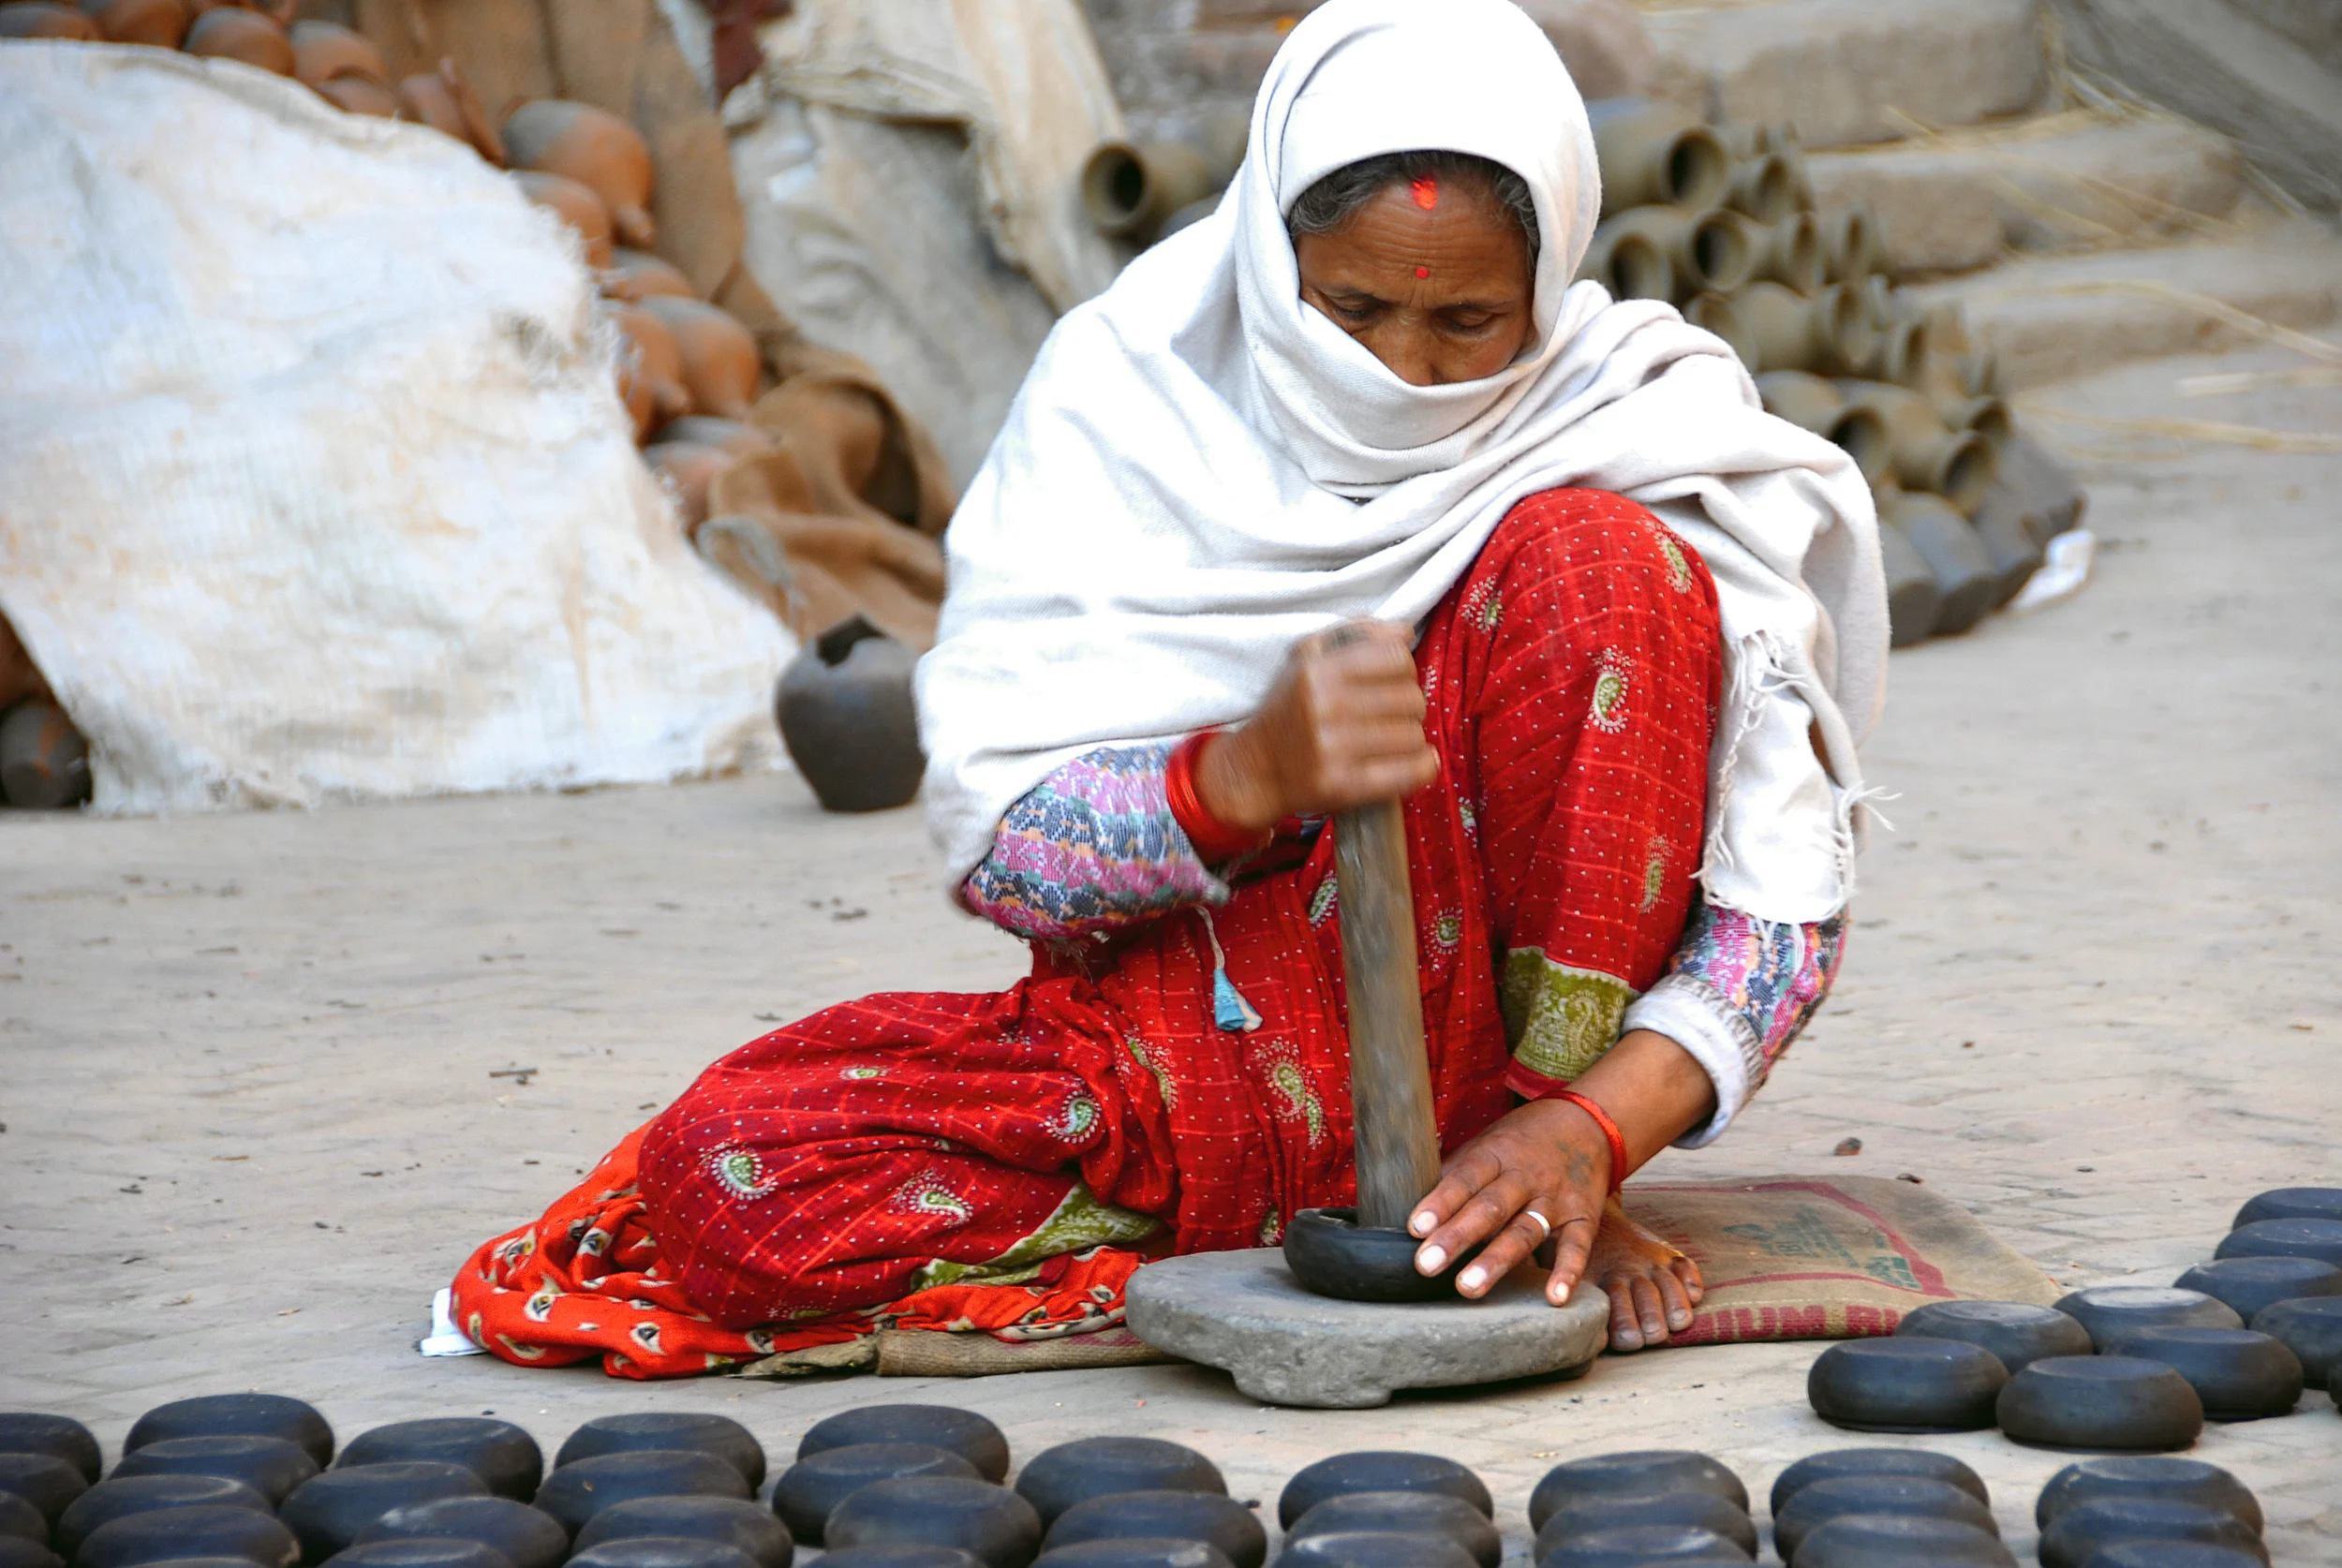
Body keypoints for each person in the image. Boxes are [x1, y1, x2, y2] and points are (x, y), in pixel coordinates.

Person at [447, 0, 1884, 1380]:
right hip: (1177, 1067)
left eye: (1468, 322)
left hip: (1513, 1085)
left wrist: (1593, 1130)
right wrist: (1236, 779)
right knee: (727, 1177)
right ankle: (1289, 1220)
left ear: (1550, 282)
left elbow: (1780, 910)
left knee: (1604, 567)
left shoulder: (1636, 418)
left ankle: (1524, 1189)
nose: (1400, 368)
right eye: (1352, 307)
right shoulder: (1127, 401)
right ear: (1273, 255)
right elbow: (1008, 851)